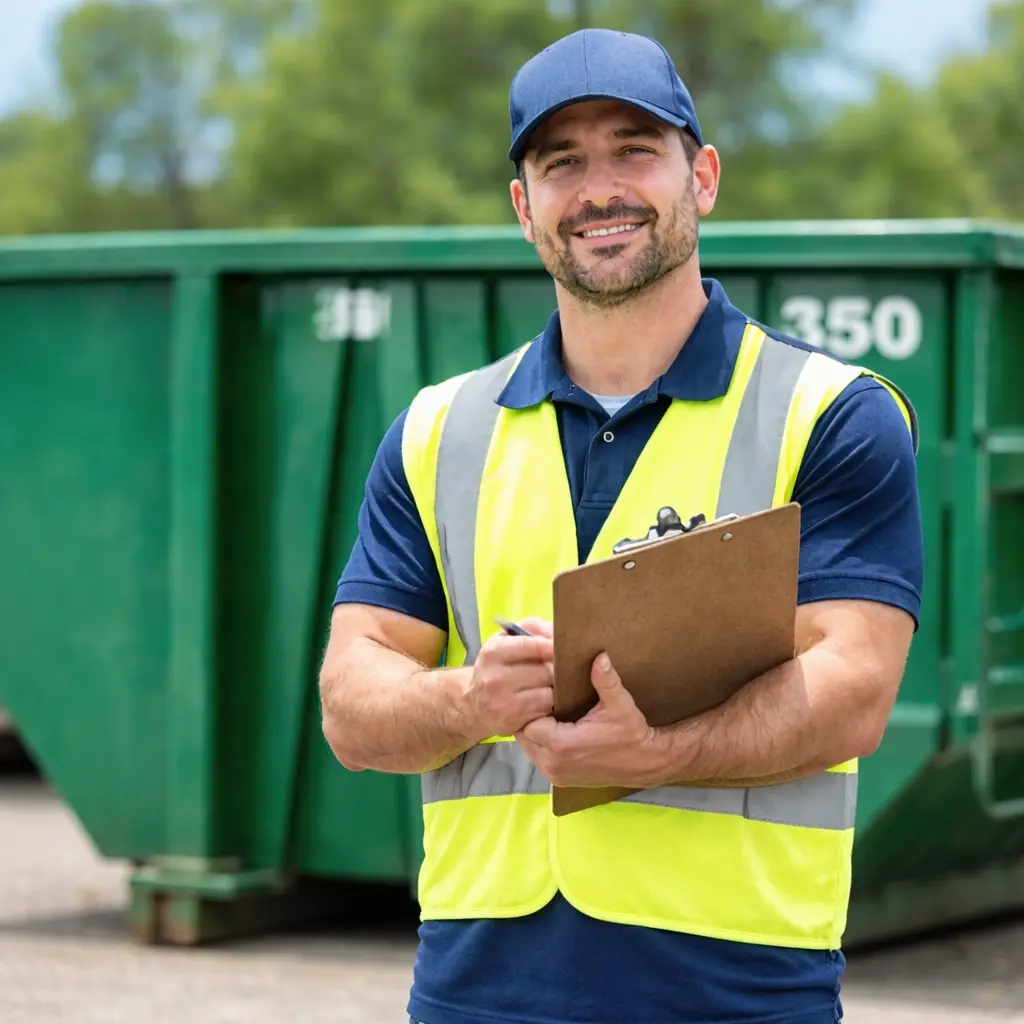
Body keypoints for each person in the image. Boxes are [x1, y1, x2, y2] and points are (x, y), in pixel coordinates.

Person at [319, 26, 923, 1024]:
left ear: (703, 177)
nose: (600, 189)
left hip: (738, 992)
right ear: (524, 208)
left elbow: (853, 689)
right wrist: (473, 697)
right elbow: (352, 705)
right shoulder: (438, 431)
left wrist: (661, 753)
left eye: (635, 150)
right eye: (562, 163)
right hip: (479, 993)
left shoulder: (830, 414)